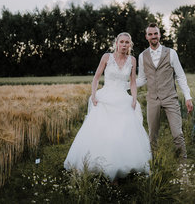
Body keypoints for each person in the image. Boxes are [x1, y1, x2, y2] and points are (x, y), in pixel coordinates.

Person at [64, 32, 151, 182]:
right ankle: (94, 165)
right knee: (101, 131)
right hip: (106, 98)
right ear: (116, 43)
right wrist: (93, 94)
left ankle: (121, 166)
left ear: (130, 45)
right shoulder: (106, 57)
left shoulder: (132, 60)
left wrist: (134, 99)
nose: (124, 45)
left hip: (123, 99)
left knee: (123, 133)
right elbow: (96, 77)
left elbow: (132, 82)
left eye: (127, 42)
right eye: (121, 42)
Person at [137, 23, 193, 161]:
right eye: (150, 34)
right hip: (152, 99)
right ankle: (155, 163)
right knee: (152, 135)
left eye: (155, 33)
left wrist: (188, 97)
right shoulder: (142, 56)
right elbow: (141, 79)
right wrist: (124, 85)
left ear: (160, 35)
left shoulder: (171, 53)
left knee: (177, 133)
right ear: (146, 37)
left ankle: (183, 164)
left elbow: (180, 76)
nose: (153, 36)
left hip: (170, 98)